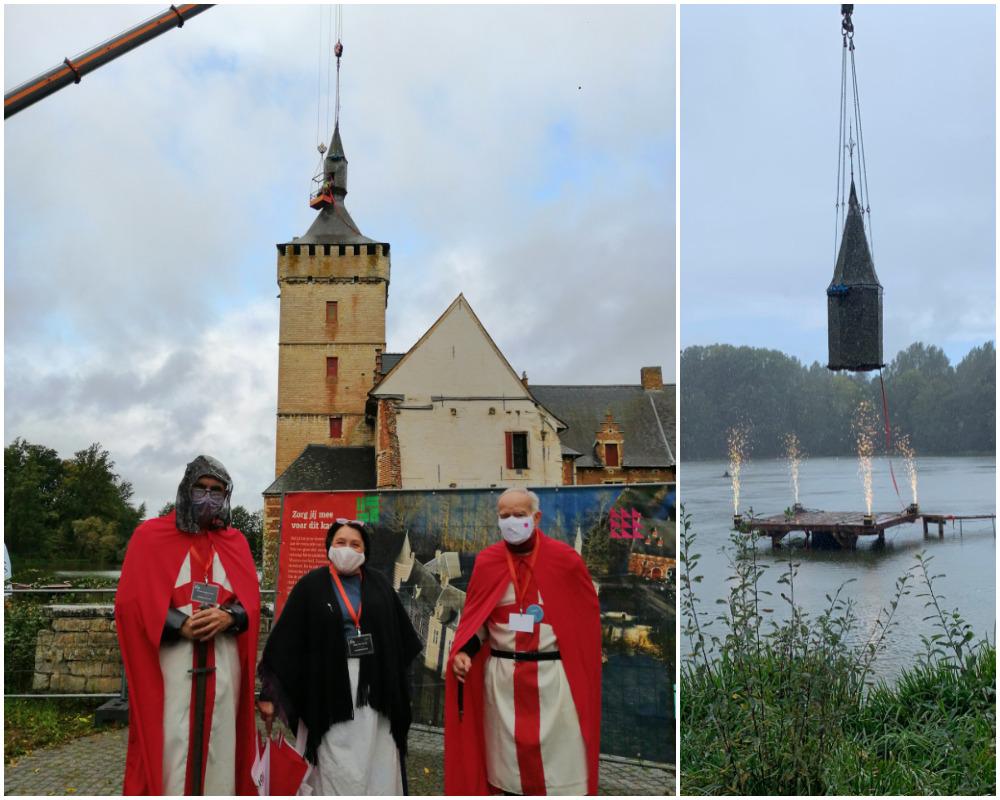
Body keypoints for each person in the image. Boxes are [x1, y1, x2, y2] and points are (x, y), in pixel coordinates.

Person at [115, 455, 260, 795]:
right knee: (171, 742)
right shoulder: (149, 536)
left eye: (217, 491)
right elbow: (130, 603)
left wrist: (230, 616)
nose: (209, 497)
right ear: (186, 489)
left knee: (221, 744)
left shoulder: (235, 543)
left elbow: (250, 603)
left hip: (223, 667)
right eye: (202, 488)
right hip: (171, 666)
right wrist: (178, 624)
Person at [444, 488, 602, 795]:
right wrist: (464, 651)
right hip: (503, 685)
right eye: (505, 516)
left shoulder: (565, 561)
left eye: (519, 515)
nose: (512, 522)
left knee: (560, 775)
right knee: (506, 775)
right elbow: (479, 624)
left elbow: (583, 626)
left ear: (536, 517)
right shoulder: (488, 562)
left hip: (553, 684)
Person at [257, 519, 423, 795]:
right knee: (334, 761)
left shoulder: (380, 584)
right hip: (328, 689)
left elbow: (400, 638)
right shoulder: (312, 585)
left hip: (374, 690)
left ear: (365, 550)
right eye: (340, 542)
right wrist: (268, 694)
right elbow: (286, 642)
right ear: (329, 547)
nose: (347, 549)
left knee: (376, 757)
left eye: (355, 544)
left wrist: (398, 686)